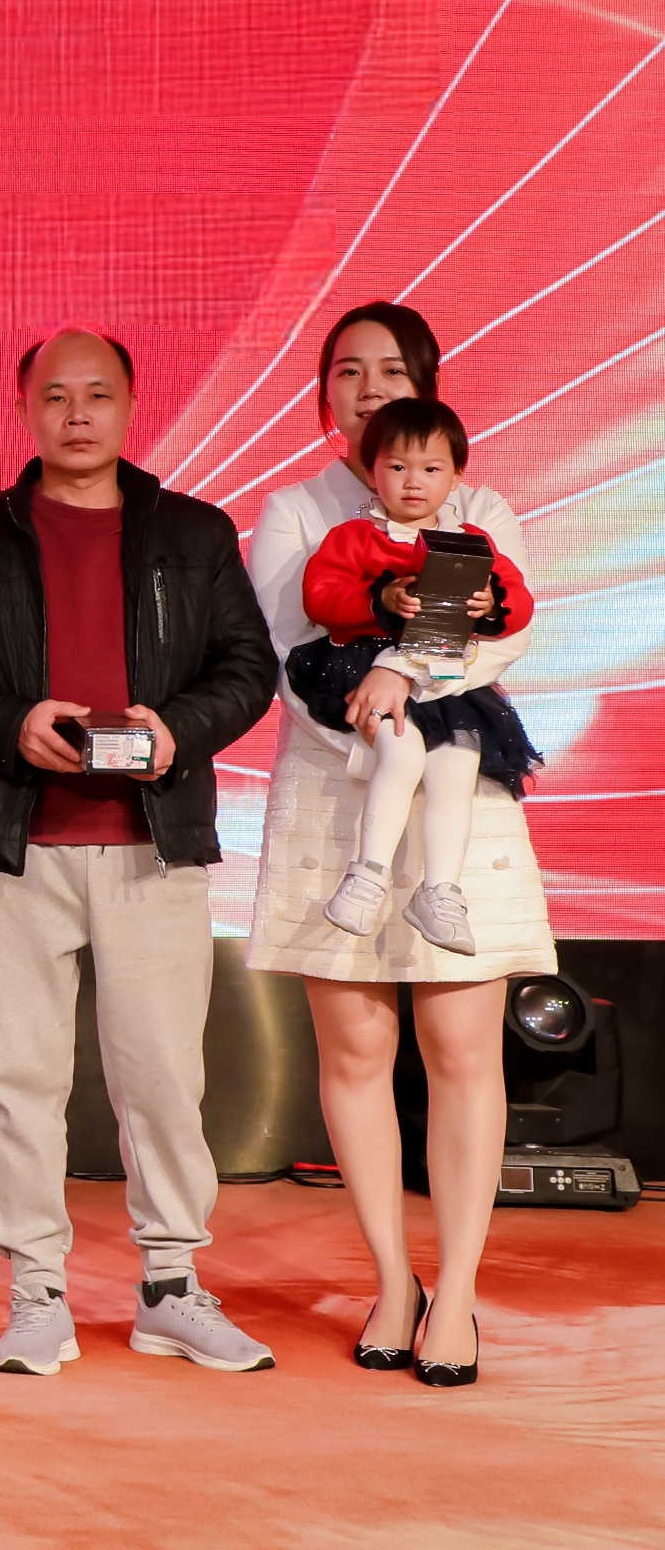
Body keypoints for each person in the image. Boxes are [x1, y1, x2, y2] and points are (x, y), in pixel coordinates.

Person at [0, 329, 281, 1379]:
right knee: (17, 1080)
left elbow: (246, 666)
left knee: (161, 1078)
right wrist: (8, 722)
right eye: (56, 395)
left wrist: (177, 728)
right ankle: (35, 1293)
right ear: (23, 406)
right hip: (15, 846)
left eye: (98, 394)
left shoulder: (193, 533)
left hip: (153, 845)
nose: (77, 414)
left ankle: (170, 1286)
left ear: (129, 404)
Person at [248, 302, 551, 1388]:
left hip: (458, 790)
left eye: (391, 370)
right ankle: (389, 1278)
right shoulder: (296, 509)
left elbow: (503, 631)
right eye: (347, 370)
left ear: (426, 387)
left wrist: (401, 671)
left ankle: (456, 1290)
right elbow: (292, 644)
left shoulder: (480, 506)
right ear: (322, 394)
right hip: (336, 787)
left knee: (464, 1049)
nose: (369, 387)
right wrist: (378, 698)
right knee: (354, 1054)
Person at [289, 398, 537, 954]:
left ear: (456, 476)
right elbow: (319, 596)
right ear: (371, 470)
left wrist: (490, 604)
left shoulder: (473, 540)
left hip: (444, 678)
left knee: (458, 766)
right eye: (397, 466)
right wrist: (380, 598)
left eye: (431, 468)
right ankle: (367, 877)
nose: (413, 481)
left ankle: (440, 892)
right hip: (366, 666)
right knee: (400, 753)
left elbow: (518, 603)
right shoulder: (354, 537)